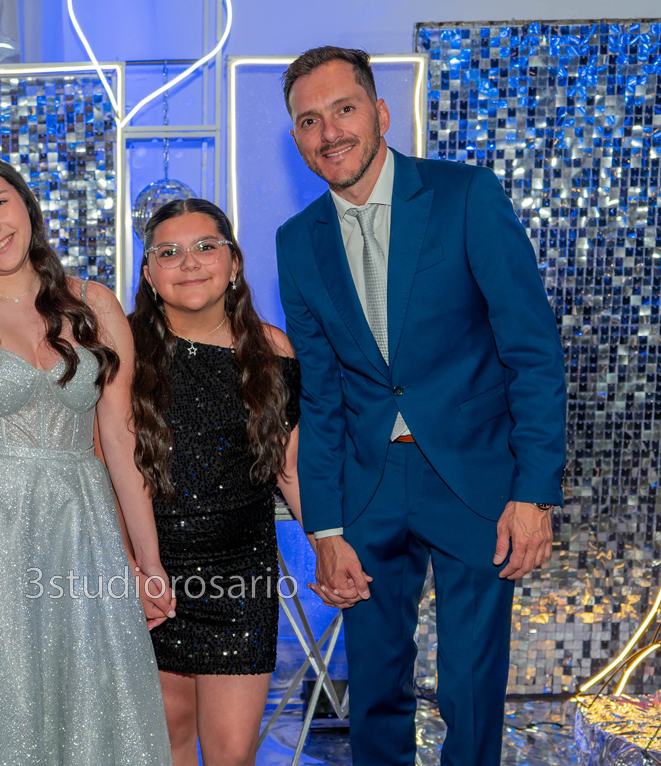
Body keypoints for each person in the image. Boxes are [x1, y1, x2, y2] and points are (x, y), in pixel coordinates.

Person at [275, 47, 566, 766]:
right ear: (297, 137)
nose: (329, 132)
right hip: (368, 486)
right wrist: (325, 527)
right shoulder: (296, 241)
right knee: (374, 688)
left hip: (472, 477)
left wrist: (535, 491)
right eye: (309, 120)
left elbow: (531, 350)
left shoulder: (464, 195)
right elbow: (322, 392)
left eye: (344, 109)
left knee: (471, 685)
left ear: (379, 112)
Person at [0, 149, 173, 766]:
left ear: (26, 203)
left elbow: (120, 440)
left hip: (80, 525)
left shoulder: (94, 304)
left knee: (89, 691)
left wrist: (147, 561)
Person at [129, 198, 304, 766]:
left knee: (232, 754)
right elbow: (107, 473)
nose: (189, 262)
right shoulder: (123, 354)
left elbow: (290, 468)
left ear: (234, 263)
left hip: (241, 576)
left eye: (206, 247)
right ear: (149, 274)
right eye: (169, 252)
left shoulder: (272, 351)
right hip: (152, 574)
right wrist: (134, 566)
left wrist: (331, 543)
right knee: (168, 745)